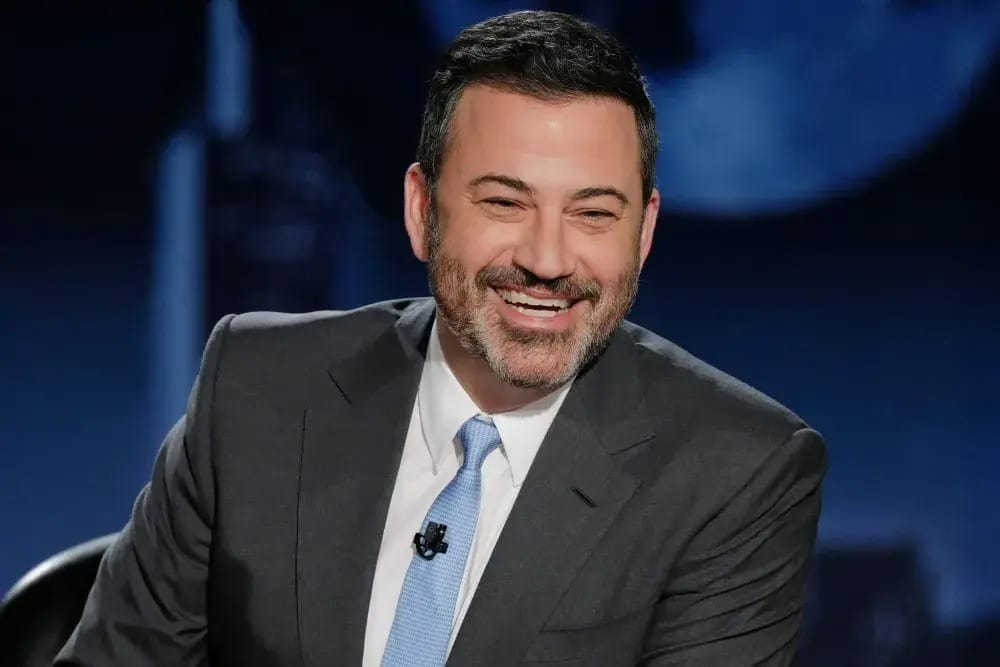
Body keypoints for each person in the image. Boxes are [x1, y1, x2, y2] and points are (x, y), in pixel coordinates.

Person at [57, 10, 826, 667]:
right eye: (505, 203)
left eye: (594, 213)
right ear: (423, 210)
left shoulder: (738, 470)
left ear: (645, 231)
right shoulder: (255, 387)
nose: (549, 260)